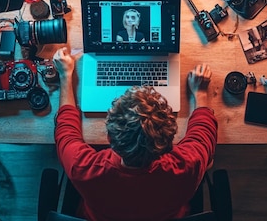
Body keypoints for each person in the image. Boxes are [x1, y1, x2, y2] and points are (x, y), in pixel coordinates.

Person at [53, 47, 217, 221]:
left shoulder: (83, 168)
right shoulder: (188, 165)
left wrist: (65, 76)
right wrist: (200, 93)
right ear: (168, 141)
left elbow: (66, 130)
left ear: (109, 138)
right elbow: (203, 131)